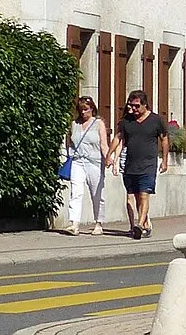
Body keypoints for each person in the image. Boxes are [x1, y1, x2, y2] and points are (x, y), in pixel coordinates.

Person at [110, 88, 167, 239]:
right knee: (135, 196)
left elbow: (164, 138)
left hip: (148, 164)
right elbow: (118, 138)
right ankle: (144, 223)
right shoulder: (126, 122)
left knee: (144, 195)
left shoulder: (156, 120)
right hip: (130, 164)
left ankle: (140, 225)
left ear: (145, 105)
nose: (133, 109)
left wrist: (165, 161)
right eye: (131, 106)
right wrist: (109, 154)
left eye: (136, 106)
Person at [60, 95, 107, 235]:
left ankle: (98, 223)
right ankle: (74, 224)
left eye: (86, 109)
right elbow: (69, 142)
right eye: (81, 109)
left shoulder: (98, 123)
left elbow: (103, 144)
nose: (83, 112)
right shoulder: (74, 124)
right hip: (77, 161)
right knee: (76, 192)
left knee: (96, 193)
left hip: (94, 162)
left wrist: (109, 158)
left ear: (92, 109)